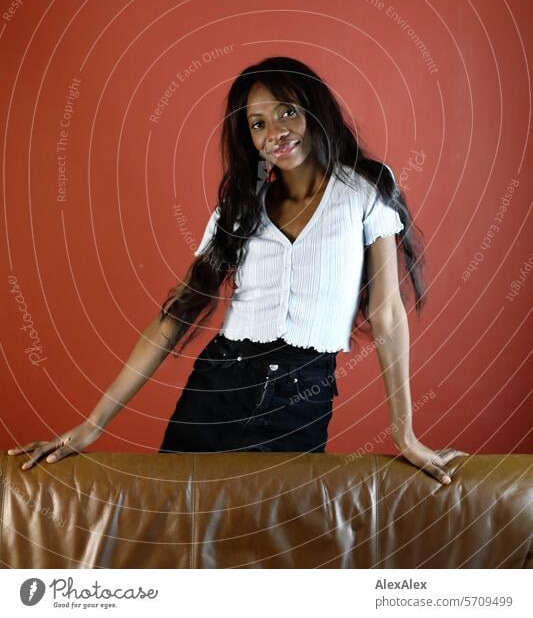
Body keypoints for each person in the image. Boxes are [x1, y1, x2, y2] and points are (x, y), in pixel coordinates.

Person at [8, 56, 467, 483]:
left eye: (287, 112)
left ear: (313, 107)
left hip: (301, 397)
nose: (276, 132)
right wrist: (92, 426)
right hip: (217, 389)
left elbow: (387, 314)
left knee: (271, 547)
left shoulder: (367, 188)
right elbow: (174, 318)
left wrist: (404, 434)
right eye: (258, 124)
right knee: (177, 535)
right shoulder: (239, 209)